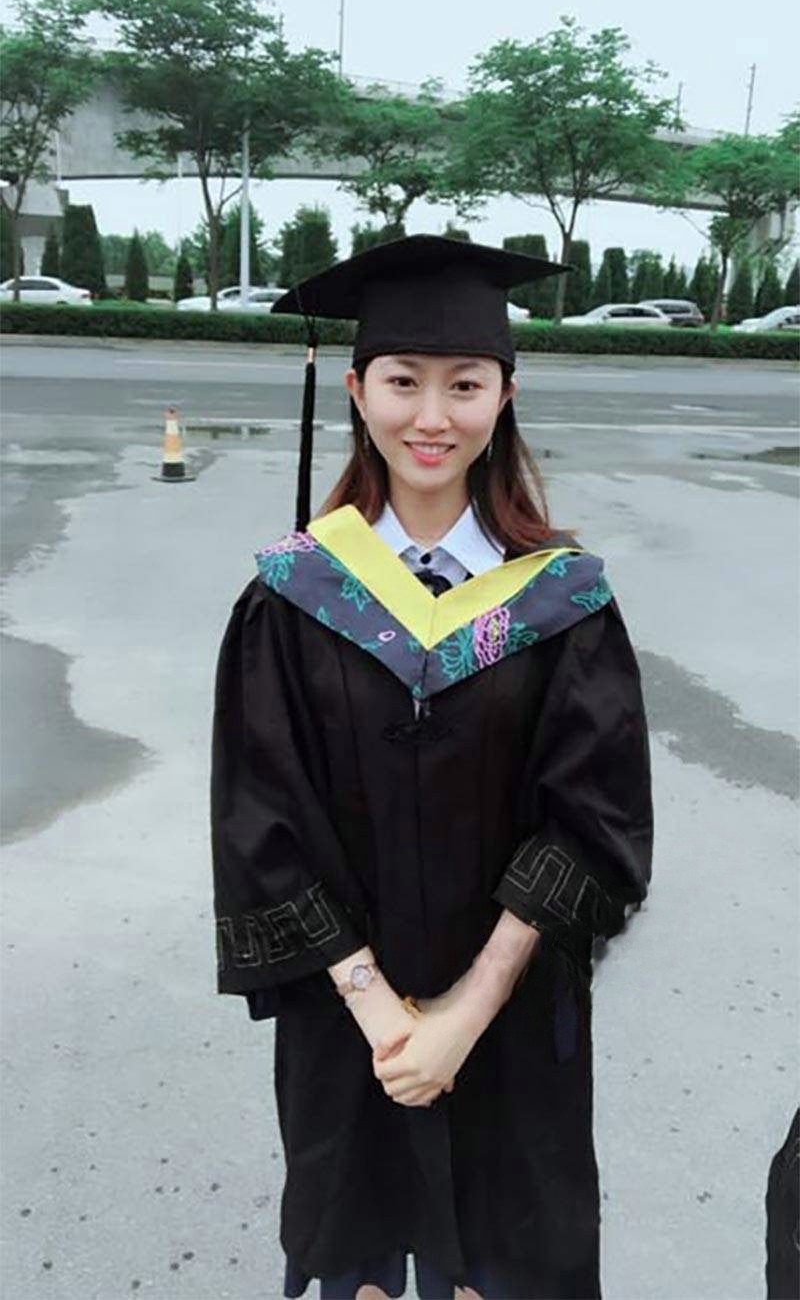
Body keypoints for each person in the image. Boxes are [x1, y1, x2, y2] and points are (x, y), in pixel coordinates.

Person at [210, 234, 654, 1300]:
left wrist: (461, 1014)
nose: (432, 417)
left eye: (465, 384)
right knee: (356, 1266)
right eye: (403, 382)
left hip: (511, 1014)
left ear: (505, 395)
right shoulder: (294, 599)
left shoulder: (561, 602)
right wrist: (381, 1015)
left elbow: (594, 820)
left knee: (500, 1265)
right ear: (357, 391)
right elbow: (261, 819)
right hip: (348, 1021)